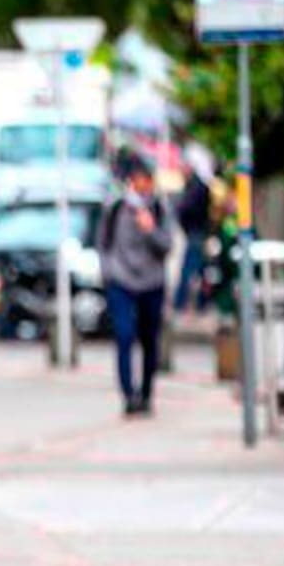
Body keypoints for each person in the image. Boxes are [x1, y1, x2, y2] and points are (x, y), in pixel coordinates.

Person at [99, 149, 173, 416]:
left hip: (152, 282)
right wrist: (108, 273)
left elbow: (167, 245)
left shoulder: (160, 208)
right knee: (124, 335)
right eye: (138, 178)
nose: (143, 183)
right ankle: (128, 395)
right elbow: (103, 244)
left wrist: (150, 229)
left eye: (147, 178)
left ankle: (146, 393)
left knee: (149, 340)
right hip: (121, 280)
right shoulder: (116, 207)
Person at [173, 142, 215, 313]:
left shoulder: (198, 187)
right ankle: (200, 302)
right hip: (196, 232)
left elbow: (186, 209)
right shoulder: (196, 186)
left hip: (196, 233)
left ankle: (181, 303)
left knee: (190, 269)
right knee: (200, 269)